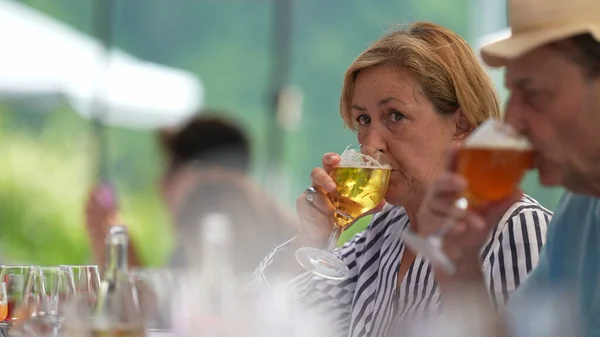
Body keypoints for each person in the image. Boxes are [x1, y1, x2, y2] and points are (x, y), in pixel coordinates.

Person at [253, 22, 551, 337]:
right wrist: (311, 239)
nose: (370, 144)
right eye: (363, 120)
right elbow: (263, 322)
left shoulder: (521, 231)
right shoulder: (388, 230)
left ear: (461, 125)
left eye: (395, 116)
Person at [416, 0, 600, 335]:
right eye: (512, 93)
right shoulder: (579, 211)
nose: (511, 120)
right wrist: (461, 268)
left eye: (534, 93)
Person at [85, 112, 297, 272]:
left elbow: (190, 316)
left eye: (171, 169)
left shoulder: (221, 221)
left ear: (203, 174)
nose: (160, 184)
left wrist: (121, 255)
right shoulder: (264, 217)